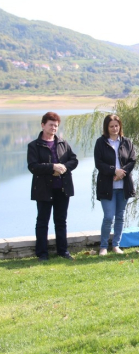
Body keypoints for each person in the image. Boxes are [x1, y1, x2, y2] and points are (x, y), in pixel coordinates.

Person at [27, 112, 78, 261]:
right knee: (43, 222)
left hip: (62, 188)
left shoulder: (63, 143)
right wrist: (52, 167)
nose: (54, 128)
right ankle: (42, 254)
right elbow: (33, 166)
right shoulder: (34, 146)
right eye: (51, 125)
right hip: (43, 190)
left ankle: (63, 251)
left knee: (61, 221)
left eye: (56, 125)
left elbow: (74, 160)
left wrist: (63, 167)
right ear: (43, 125)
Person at [94, 114, 136, 256]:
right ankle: (103, 246)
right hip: (107, 186)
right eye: (111, 126)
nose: (114, 128)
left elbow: (132, 160)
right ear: (107, 127)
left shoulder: (126, 142)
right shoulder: (101, 142)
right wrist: (114, 171)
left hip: (123, 186)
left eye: (116, 126)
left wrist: (122, 173)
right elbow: (99, 163)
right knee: (108, 217)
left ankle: (116, 245)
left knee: (120, 216)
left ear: (120, 126)